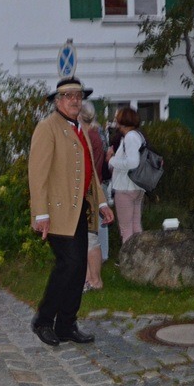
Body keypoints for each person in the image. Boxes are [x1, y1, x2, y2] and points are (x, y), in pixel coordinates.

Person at [29, 77, 114, 347]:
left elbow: (91, 173)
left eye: (78, 95)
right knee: (69, 265)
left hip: (79, 211)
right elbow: (37, 174)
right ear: (58, 101)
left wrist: (101, 203)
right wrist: (40, 213)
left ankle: (66, 324)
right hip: (56, 212)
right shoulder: (47, 128)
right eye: (68, 96)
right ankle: (43, 320)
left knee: (77, 269)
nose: (75, 100)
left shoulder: (81, 128)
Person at [106, 107, 147, 244]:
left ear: (122, 121)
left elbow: (132, 162)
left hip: (125, 187)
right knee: (136, 226)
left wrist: (111, 160)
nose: (115, 122)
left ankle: (128, 255)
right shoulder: (138, 136)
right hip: (137, 186)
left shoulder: (130, 137)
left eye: (117, 119)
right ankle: (139, 254)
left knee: (126, 230)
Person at [79, 101, 106, 291]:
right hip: (87, 190)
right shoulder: (93, 133)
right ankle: (88, 278)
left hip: (90, 191)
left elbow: (91, 168)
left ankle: (95, 280)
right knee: (84, 237)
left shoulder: (91, 135)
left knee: (90, 237)